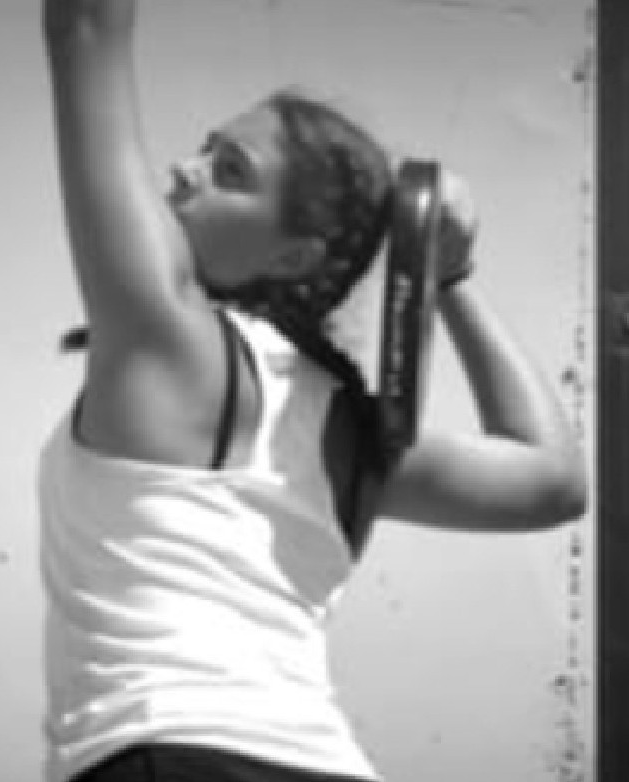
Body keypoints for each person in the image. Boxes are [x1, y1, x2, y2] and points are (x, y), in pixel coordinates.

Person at [38, 2, 588, 782]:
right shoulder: (349, 432)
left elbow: (86, 27)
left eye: (230, 172)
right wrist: (452, 275)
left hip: (176, 754)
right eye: (205, 149)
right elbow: (552, 480)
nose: (187, 170)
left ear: (295, 257)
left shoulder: (168, 339)